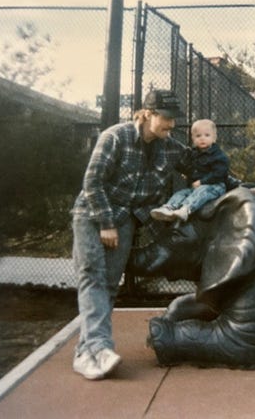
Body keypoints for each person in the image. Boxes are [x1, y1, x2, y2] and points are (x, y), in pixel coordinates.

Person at [70, 89, 188, 380]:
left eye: (175, 119)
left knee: (109, 285)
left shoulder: (171, 148)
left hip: (124, 219)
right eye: (167, 118)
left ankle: (85, 353)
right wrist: (106, 223)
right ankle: (99, 348)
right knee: (92, 275)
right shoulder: (115, 137)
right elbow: (92, 182)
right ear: (147, 114)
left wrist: (242, 185)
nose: (172, 125)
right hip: (92, 214)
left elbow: (204, 166)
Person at [151, 119, 229, 222]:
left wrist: (202, 181)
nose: (202, 139)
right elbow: (191, 167)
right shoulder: (194, 153)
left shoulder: (218, 156)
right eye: (198, 136)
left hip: (215, 187)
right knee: (182, 193)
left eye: (207, 135)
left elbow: (219, 173)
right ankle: (169, 208)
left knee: (202, 190)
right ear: (193, 138)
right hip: (196, 188)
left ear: (214, 138)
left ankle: (186, 209)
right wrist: (189, 175)